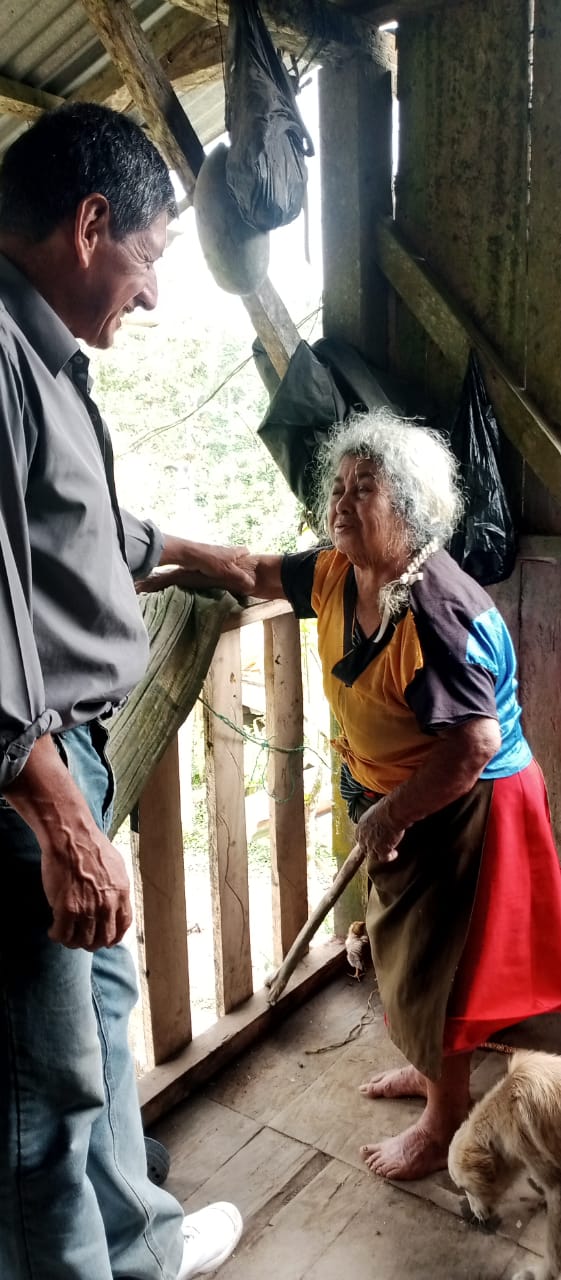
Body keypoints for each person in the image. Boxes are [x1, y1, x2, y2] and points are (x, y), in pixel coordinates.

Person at [147, 410, 561, 1182]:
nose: (339, 501)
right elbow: (253, 571)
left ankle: (442, 1121)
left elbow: (470, 745)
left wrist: (393, 813)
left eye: (362, 487)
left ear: (408, 506)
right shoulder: (340, 572)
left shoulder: (435, 611)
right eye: (336, 486)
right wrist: (158, 557)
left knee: (439, 968)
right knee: (407, 956)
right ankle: (433, 1073)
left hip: (468, 806)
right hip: (402, 794)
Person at [0, 102, 252, 1279]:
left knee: (97, 1039)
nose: (150, 295)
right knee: (42, 1094)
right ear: (91, 225)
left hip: (67, 768)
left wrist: (207, 555)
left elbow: (69, 527)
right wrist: (59, 815)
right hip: (29, 778)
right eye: (149, 259)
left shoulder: (39, 348)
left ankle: (136, 1250)